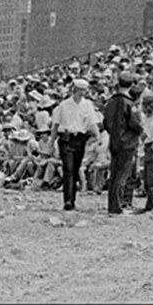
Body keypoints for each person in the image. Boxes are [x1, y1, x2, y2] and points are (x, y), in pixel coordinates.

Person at [50, 77, 99, 213]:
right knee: (68, 169)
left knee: (75, 168)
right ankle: (68, 200)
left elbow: (92, 122)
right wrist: (51, 141)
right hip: (66, 138)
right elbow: (56, 125)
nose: (83, 93)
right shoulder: (64, 105)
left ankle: (72, 199)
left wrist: (98, 136)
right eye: (81, 90)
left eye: (85, 90)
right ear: (75, 90)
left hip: (80, 139)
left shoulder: (87, 105)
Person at [101, 75, 141, 215]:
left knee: (114, 174)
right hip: (128, 142)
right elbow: (135, 124)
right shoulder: (129, 103)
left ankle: (112, 205)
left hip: (114, 140)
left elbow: (105, 122)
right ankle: (118, 206)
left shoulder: (110, 102)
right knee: (123, 174)